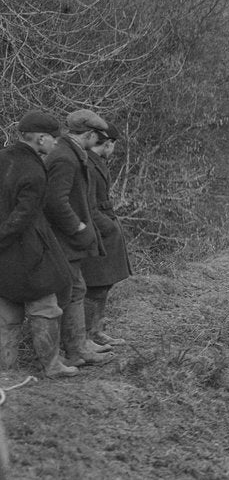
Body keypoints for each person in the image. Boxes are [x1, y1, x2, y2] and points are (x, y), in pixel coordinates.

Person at [0, 111, 78, 378]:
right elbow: (21, 218)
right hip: (27, 250)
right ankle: (52, 366)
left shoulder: (3, 158)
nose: (56, 144)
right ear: (42, 138)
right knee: (46, 306)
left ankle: (7, 372)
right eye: (54, 139)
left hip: (4, 256)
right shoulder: (34, 170)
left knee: (6, 312)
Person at [44, 108, 115, 366]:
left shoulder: (70, 153)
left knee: (77, 288)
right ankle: (75, 350)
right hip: (62, 239)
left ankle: (78, 346)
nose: (100, 141)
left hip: (65, 238)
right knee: (73, 290)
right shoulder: (65, 158)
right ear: (89, 134)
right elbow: (55, 201)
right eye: (98, 136)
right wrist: (78, 227)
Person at [80, 123, 132, 348]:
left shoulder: (96, 162)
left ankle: (96, 331)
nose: (113, 151)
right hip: (97, 231)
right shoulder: (88, 166)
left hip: (105, 228)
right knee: (96, 285)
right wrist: (107, 227)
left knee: (104, 283)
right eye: (113, 146)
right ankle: (88, 335)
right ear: (108, 144)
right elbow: (88, 205)